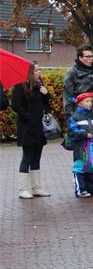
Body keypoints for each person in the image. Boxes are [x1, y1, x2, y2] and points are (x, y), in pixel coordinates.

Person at [11, 62, 51, 199]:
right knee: (27, 157)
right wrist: (28, 117)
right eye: (36, 70)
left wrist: (46, 94)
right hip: (27, 128)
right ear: (30, 72)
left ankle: (36, 187)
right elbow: (15, 105)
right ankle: (22, 189)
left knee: (37, 157)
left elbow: (46, 105)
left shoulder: (40, 86)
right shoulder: (20, 86)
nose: (39, 72)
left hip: (39, 127)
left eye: (39, 69)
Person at [66, 92, 93, 198]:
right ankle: (81, 189)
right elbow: (72, 131)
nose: (90, 103)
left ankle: (91, 188)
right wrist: (84, 134)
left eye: (91, 101)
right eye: (87, 101)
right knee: (79, 167)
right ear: (79, 103)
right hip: (81, 148)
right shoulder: (75, 117)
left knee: (90, 167)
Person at [62, 44, 93, 120]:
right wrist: (70, 119)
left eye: (92, 56)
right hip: (79, 114)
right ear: (80, 57)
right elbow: (67, 98)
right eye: (88, 56)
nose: (91, 59)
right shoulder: (71, 73)